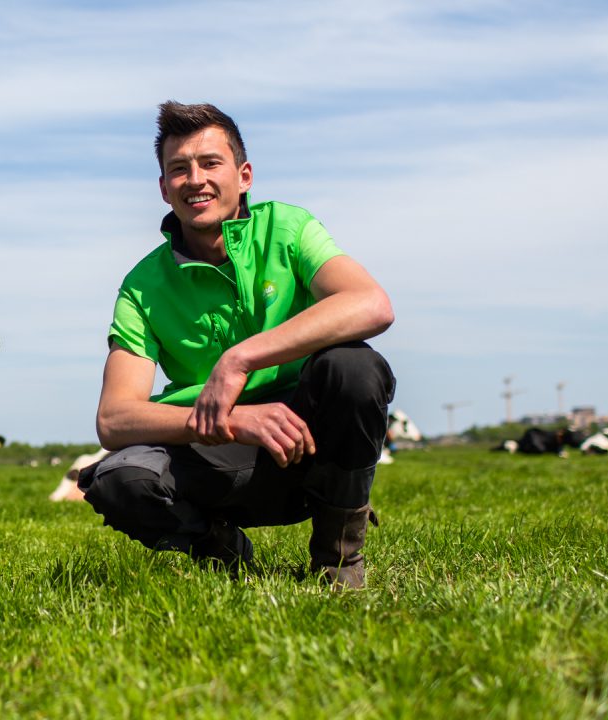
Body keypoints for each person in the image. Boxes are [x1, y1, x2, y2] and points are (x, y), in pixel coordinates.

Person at [79, 101, 396, 590]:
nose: (195, 179)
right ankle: (220, 547)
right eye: (178, 169)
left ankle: (338, 557)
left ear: (243, 175)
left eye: (210, 163)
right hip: (219, 460)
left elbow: (371, 304)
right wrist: (230, 421)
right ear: (164, 189)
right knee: (117, 480)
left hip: (308, 447)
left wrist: (240, 358)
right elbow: (113, 418)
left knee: (354, 368)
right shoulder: (142, 286)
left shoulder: (287, 229)